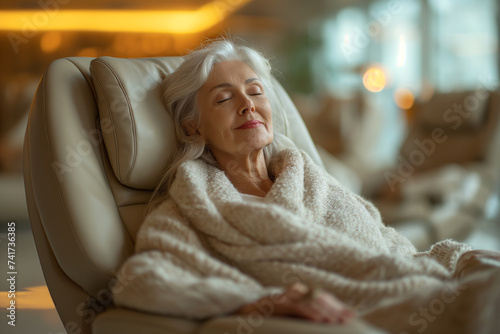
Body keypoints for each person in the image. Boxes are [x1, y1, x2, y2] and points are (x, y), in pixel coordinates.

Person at [112, 39, 500, 332]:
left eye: (255, 91)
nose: (247, 105)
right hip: (365, 314)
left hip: (421, 281)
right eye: (224, 98)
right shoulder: (195, 208)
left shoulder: (311, 178)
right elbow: (141, 280)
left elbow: (388, 243)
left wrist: (460, 260)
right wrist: (256, 301)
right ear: (193, 126)